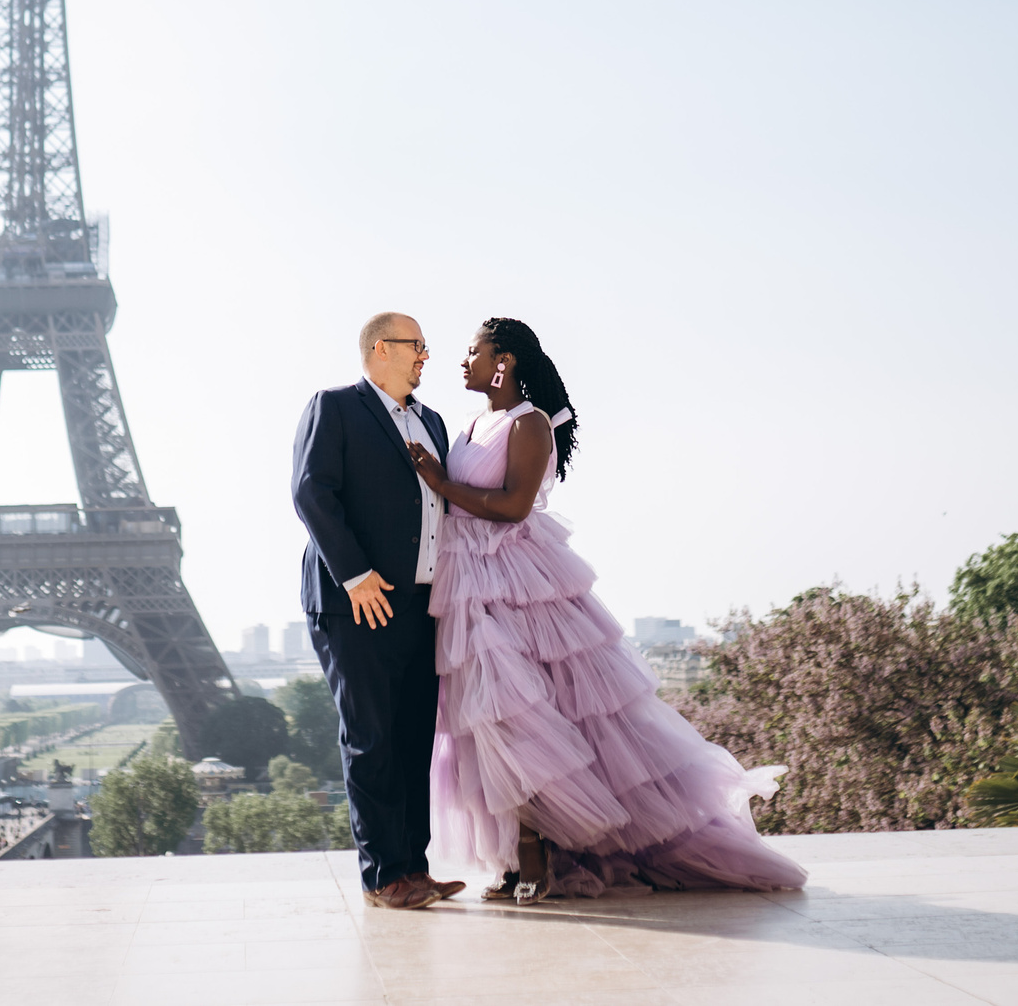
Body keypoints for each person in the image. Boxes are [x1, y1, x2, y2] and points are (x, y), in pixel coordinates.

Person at [411, 317, 806, 900]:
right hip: (466, 581)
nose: (462, 361)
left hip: (517, 583)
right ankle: (516, 853)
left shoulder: (530, 423)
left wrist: (441, 483)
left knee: (522, 717)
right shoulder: (470, 423)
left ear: (505, 361)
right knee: (485, 722)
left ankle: (535, 852)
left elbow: (515, 506)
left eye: (474, 351)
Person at [290, 312, 467, 911]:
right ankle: (383, 876)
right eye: (417, 345)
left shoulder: (433, 422)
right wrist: (356, 576)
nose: (426, 356)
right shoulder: (335, 407)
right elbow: (311, 491)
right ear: (381, 349)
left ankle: (414, 868)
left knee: (415, 739)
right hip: (357, 603)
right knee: (371, 739)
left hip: (422, 603)